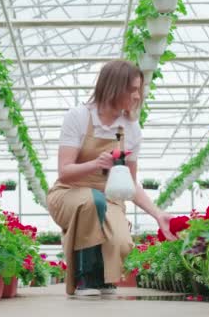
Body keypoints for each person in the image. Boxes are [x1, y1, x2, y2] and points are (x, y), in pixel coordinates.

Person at [46, 60, 177, 296]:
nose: (137, 96)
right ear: (113, 88)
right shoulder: (79, 116)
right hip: (68, 192)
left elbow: (130, 184)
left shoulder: (132, 130)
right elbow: (64, 171)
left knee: (121, 241)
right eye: (132, 89)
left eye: (139, 89)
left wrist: (158, 214)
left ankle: (105, 279)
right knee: (91, 202)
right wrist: (96, 164)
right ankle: (86, 277)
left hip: (109, 197)